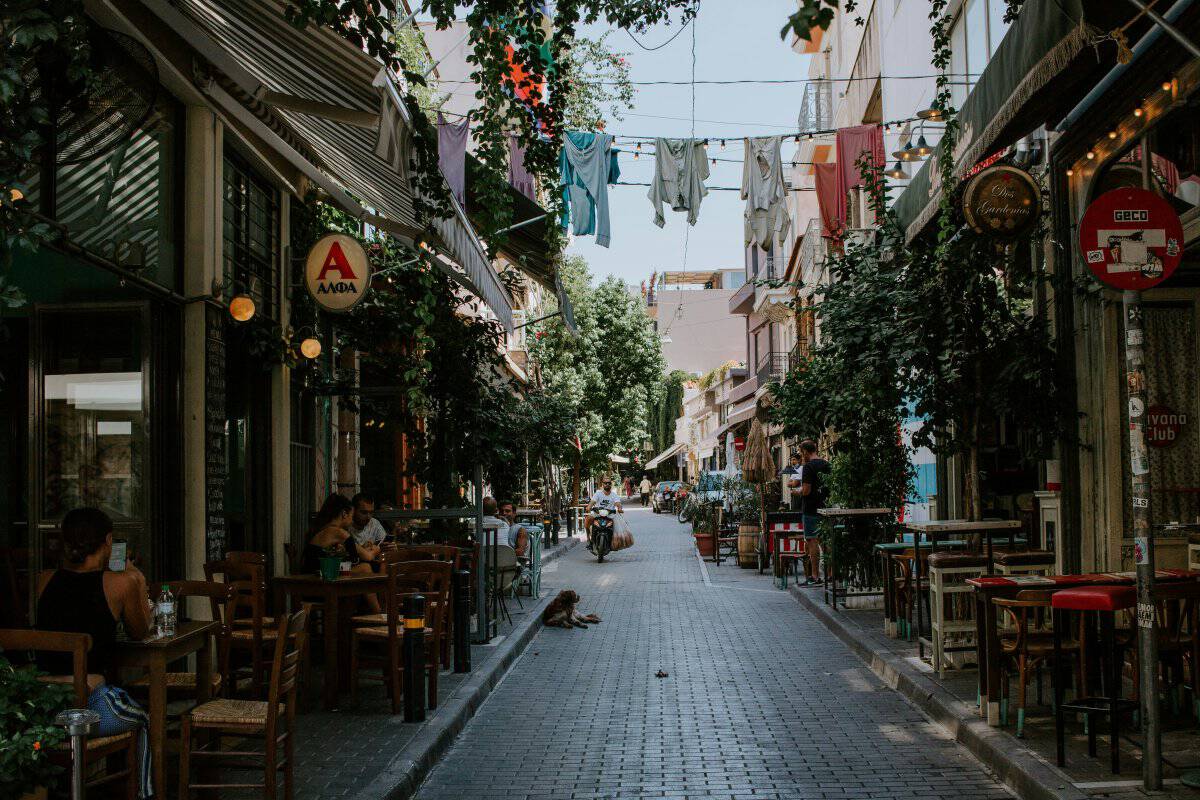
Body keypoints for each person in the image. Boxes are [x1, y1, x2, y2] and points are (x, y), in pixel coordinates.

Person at [35, 507, 154, 798]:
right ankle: (143, 795)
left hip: (43, 705)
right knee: (145, 719)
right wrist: (136, 576)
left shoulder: (44, 580)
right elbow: (141, 631)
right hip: (90, 707)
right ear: (108, 541)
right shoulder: (120, 583)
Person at [302, 493, 382, 610]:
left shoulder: (324, 528)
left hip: (317, 579)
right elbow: (366, 557)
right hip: (319, 582)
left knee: (363, 570)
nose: (352, 518)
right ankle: (377, 613)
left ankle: (368, 613)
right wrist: (376, 549)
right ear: (344, 514)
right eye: (352, 514)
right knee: (365, 568)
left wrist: (359, 549)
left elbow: (350, 554)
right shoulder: (338, 532)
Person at [798, 440, 831, 585]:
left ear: (805, 451)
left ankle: (815, 576)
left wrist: (797, 492)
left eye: (801, 452)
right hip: (826, 508)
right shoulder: (826, 464)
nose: (801, 455)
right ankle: (830, 574)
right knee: (826, 542)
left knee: (812, 541)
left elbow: (806, 490)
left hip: (811, 508)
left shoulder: (808, 467)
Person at [585, 477, 624, 551]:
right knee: (588, 519)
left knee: (617, 527)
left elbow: (618, 503)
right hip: (598, 514)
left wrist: (619, 508)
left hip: (610, 515)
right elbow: (592, 501)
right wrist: (589, 507)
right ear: (602, 484)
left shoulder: (614, 495)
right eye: (605, 483)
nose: (607, 484)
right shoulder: (598, 493)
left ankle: (614, 542)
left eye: (609, 483)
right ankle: (588, 539)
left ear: (611, 485)